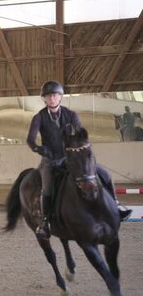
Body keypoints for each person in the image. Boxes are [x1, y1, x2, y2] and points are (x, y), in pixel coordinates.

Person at [27, 81, 131, 239]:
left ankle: (116, 206)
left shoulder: (71, 115)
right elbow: (30, 139)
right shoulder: (39, 117)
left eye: (54, 95)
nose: (52, 99)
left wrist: (82, 143)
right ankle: (45, 222)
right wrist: (38, 148)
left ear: (60, 97)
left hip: (71, 158)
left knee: (105, 174)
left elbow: (80, 131)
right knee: (47, 187)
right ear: (45, 99)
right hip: (50, 160)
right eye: (48, 96)